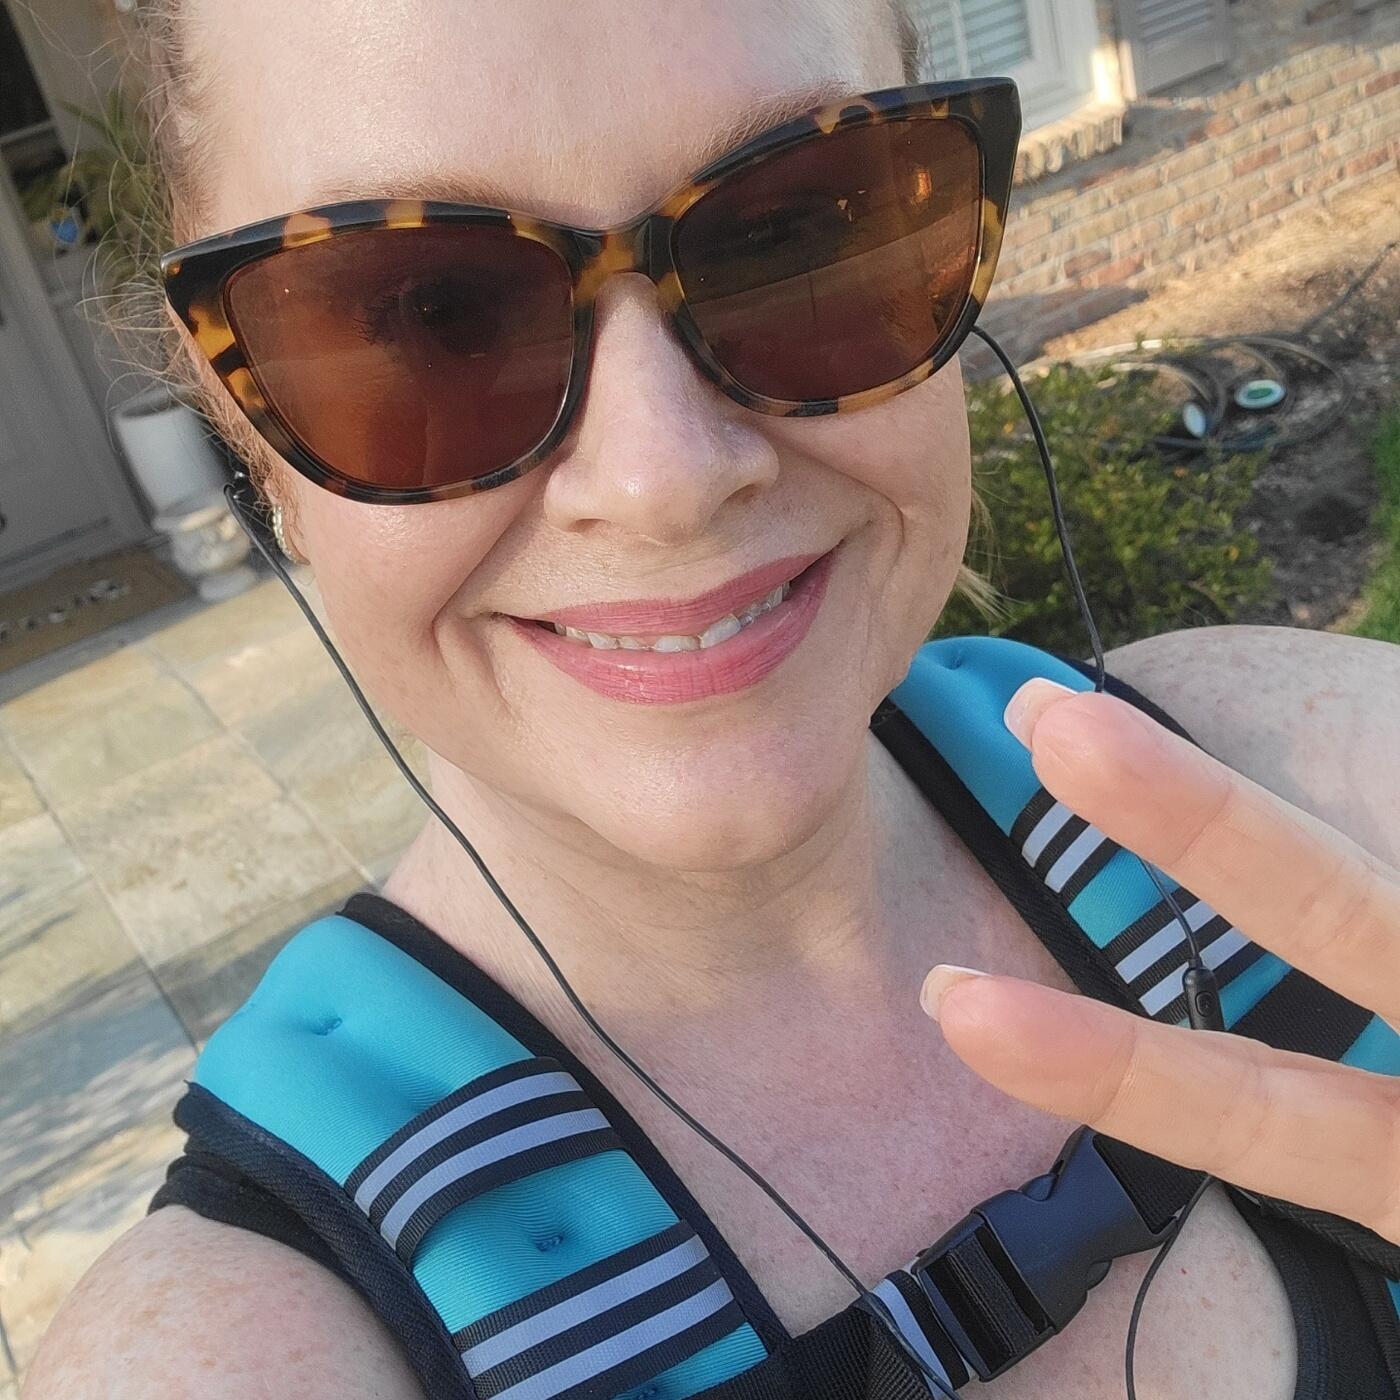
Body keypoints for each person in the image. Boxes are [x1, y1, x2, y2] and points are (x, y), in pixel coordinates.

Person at [21, 1, 1400, 1396]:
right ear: (243, 427)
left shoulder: (1319, 795)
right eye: (427, 315)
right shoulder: (240, 1351)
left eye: (793, 231)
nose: (666, 478)